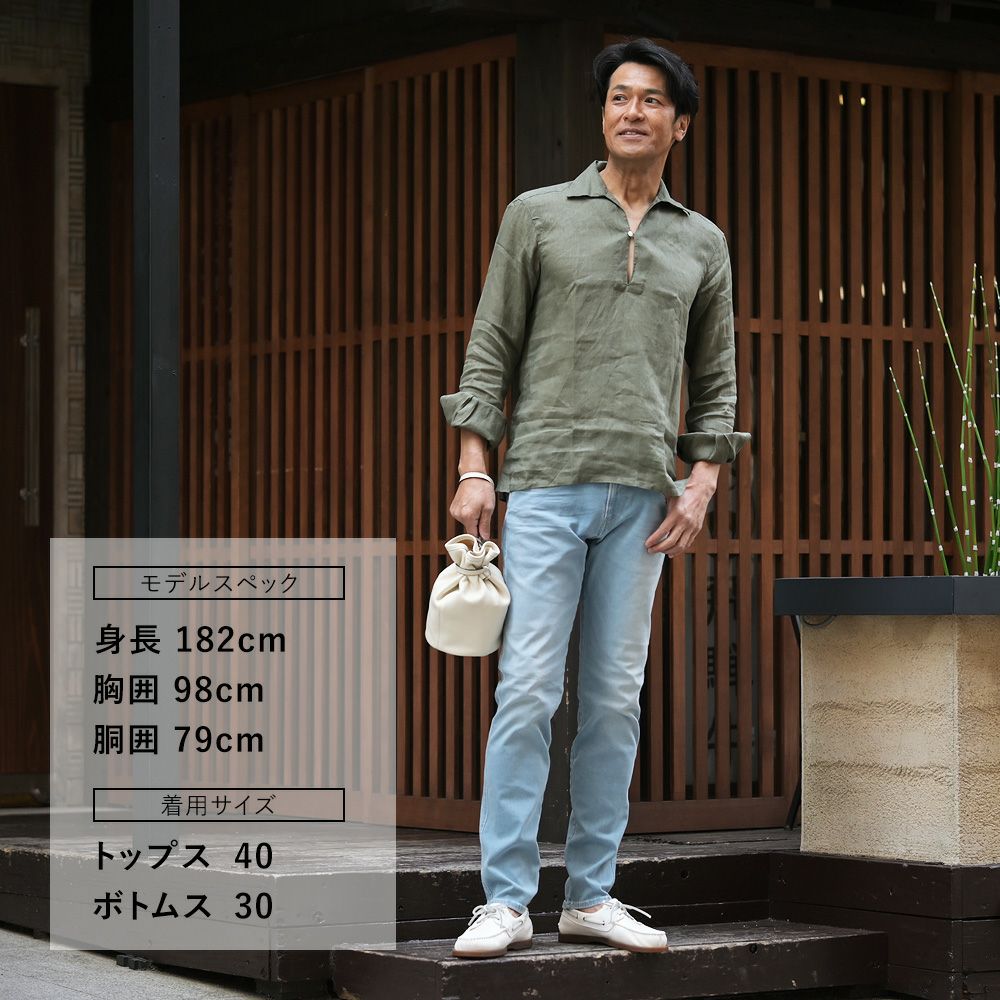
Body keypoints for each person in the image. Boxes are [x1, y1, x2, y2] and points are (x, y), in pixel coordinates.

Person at [440, 37, 750, 960]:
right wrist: (474, 466)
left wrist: (702, 481)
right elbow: (490, 346)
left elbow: (718, 378)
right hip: (543, 483)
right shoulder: (538, 216)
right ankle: (504, 900)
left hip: (644, 500)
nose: (632, 111)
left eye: (651, 100)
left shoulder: (702, 242)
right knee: (528, 691)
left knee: (615, 701)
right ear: (602, 113)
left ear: (680, 124)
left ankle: (591, 896)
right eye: (619, 96)